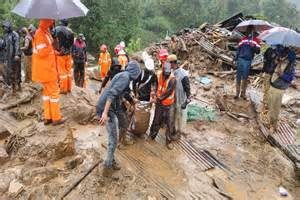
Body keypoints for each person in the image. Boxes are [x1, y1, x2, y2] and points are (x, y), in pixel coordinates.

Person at [97, 60, 141, 176]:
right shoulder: (125, 77)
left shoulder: (123, 75)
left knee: (124, 122)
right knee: (113, 139)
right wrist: (105, 113)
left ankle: (111, 157)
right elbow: (111, 93)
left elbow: (124, 93)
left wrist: (132, 101)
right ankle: (107, 167)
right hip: (107, 107)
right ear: (135, 72)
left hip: (114, 106)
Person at [32, 19, 66, 126]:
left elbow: (49, 50)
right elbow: (42, 52)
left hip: (46, 69)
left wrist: (56, 52)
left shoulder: (45, 32)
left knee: (47, 94)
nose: (52, 24)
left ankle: (48, 117)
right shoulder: (40, 34)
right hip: (46, 70)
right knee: (54, 93)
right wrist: (52, 46)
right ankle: (56, 118)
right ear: (47, 22)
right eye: (51, 22)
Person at [149, 62, 176, 150]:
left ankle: (169, 141)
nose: (166, 76)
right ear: (163, 70)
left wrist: (158, 99)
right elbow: (153, 82)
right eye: (165, 74)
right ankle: (151, 136)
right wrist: (153, 90)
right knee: (156, 119)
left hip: (169, 104)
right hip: (159, 103)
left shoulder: (172, 79)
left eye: (168, 74)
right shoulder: (158, 74)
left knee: (170, 122)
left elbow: (168, 92)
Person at [267, 48, 296, 132]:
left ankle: (273, 125)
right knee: (270, 105)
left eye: (284, 56)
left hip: (279, 88)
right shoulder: (280, 61)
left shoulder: (291, 65)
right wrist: (276, 63)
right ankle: (270, 122)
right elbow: (273, 70)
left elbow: (291, 78)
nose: (282, 57)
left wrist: (283, 75)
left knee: (275, 108)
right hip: (273, 85)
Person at [168, 54, 191, 138]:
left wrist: (187, 101)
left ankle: (178, 134)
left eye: (169, 63)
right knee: (173, 116)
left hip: (180, 100)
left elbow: (188, 90)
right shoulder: (171, 72)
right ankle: (173, 130)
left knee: (179, 119)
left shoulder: (183, 75)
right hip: (173, 99)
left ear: (173, 63)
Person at [235, 25, 260, 100]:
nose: (249, 32)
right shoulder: (243, 39)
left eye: (251, 30)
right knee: (238, 76)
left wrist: (253, 47)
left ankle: (243, 94)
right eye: (248, 30)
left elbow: (258, 51)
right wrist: (235, 58)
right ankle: (237, 93)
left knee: (245, 77)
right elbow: (238, 49)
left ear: (253, 31)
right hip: (240, 59)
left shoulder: (256, 41)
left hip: (248, 61)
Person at [53, 19, 74, 94]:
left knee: (62, 72)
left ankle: (63, 89)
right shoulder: (71, 31)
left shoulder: (56, 29)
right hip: (68, 54)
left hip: (60, 54)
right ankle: (69, 88)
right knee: (68, 71)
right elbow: (71, 44)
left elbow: (52, 39)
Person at [2, 21, 21, 93]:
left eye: (5, 27)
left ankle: (19, 86)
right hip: (8, 57)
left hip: (15, 56)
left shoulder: (15, 34)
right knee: (10, 71)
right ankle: (13, 88)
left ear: (9, 26)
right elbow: (4, 46)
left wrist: (17, 54)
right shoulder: (5, 35)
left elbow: (17, 45)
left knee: (17, 71)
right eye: (4, 27)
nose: (4, 29)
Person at [261, 45, 283, 111]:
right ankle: (267, 103)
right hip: (274, 73)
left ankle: (266, 103)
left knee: (267, 87)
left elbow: (265, 60)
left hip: (270, 71)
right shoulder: (282, 51)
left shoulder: (270, 50)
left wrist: (263, 70)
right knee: (270, 88)